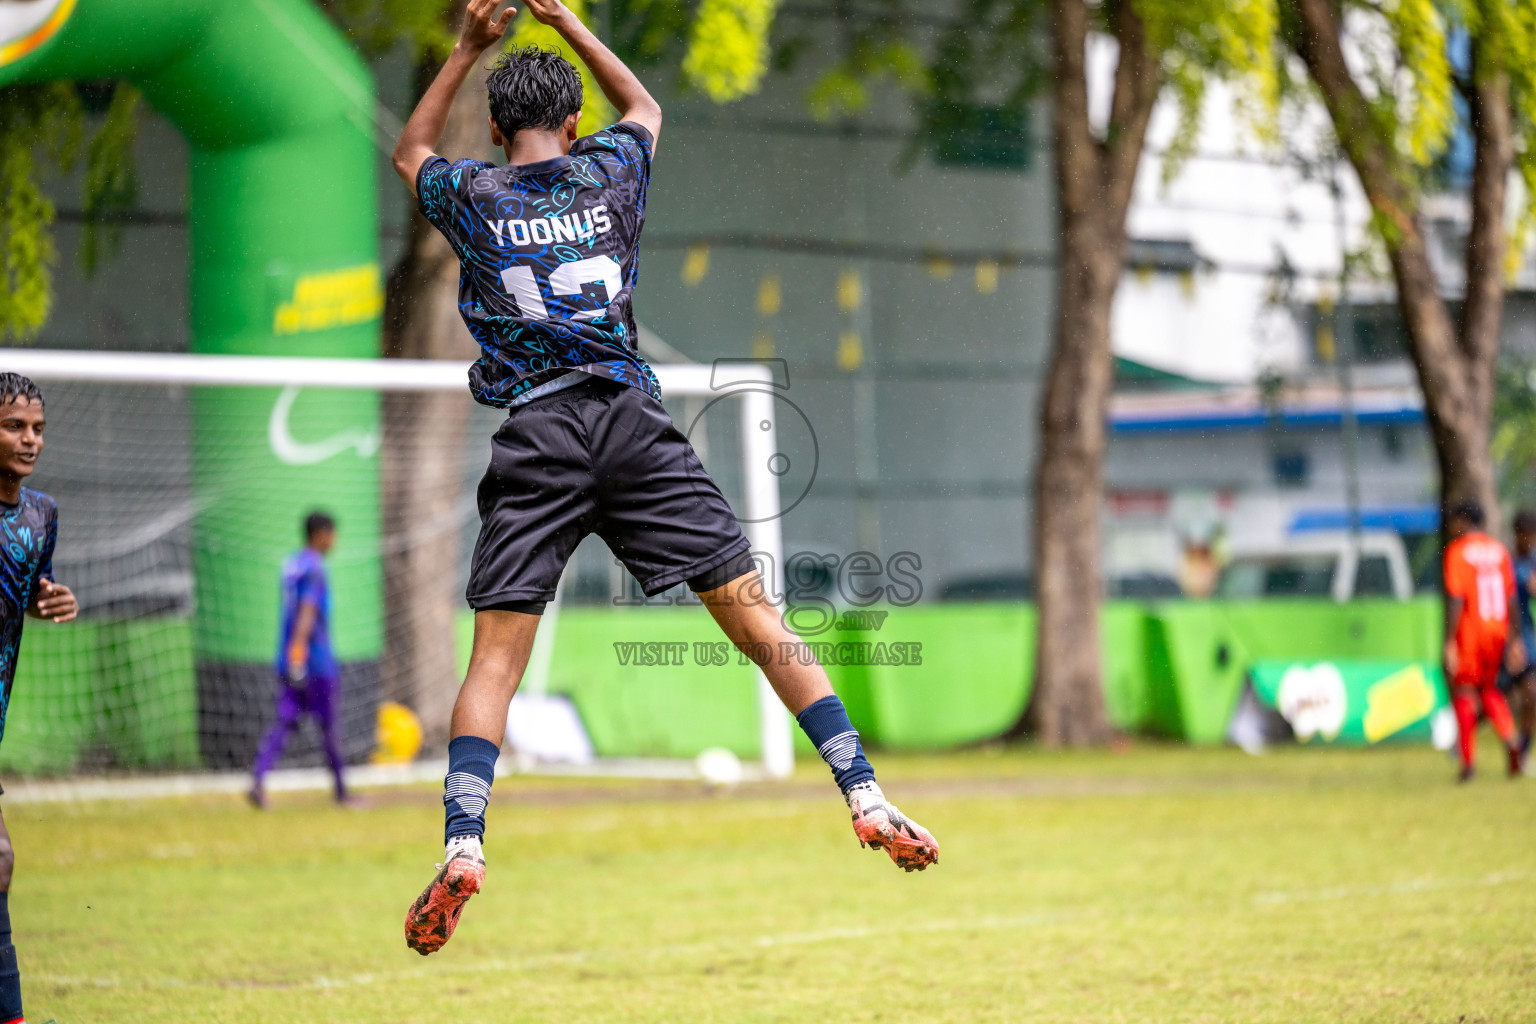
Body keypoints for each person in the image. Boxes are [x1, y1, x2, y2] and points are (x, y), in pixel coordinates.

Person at [391, 0, 938, 955]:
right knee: (759, 621)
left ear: (494, 128)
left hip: (539, 434)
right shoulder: (609, 172)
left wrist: (469, 47)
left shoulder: (473, 194)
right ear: (573, 128)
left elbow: (409, 151)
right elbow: (645, 105)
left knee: (493, 666)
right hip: (631, 424)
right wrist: (569, 24)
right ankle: (865, 793)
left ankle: (466, 842)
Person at [0, 373, 78, 1024]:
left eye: (37, 429)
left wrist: (52, 598)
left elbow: (28, 590)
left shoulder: (40, 515)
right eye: (14, 427)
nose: (30, 440)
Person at [248, 512, 349, 808]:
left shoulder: (292, 564)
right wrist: (299, 655)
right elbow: (306, 613)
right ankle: (343, 792)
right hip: (314, 662)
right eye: (332, 534)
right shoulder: (315, 569)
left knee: (285, 721)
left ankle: (258, 779)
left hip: (288, 658)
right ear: (320, 535)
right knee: (329, 726)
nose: (334, 541)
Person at [1442, 499, 1523, 782]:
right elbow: (1512, 597)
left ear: (1463, 521)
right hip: (1497, 630)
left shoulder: (1458, 552)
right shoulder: (1499, 551)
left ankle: (1467, 763)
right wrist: (1515, 638)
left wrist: (1450, 640)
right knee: (1488, 689)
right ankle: (1511, 738)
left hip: (1471, 631)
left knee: (1464, 692)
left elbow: (1456, 597)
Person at [1508, 509, 1536, 759]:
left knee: (1531, 695)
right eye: (1526, 536)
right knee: (1495, 696)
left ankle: (1522, 749)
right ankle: (1460, 734)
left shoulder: (1534, 561)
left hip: (1526, 636)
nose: (1529, 542)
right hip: (1505, 637)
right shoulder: (1506, 562)